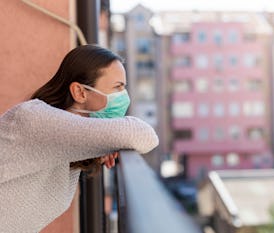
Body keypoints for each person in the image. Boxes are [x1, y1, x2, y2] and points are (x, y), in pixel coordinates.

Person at [0, 45, 159, 233]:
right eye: (117, 88)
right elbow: (144, 135)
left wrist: (100, 144)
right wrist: (113, 136)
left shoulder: (68, 147)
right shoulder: (33, 118)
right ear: (80, 92)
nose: (124, 97)